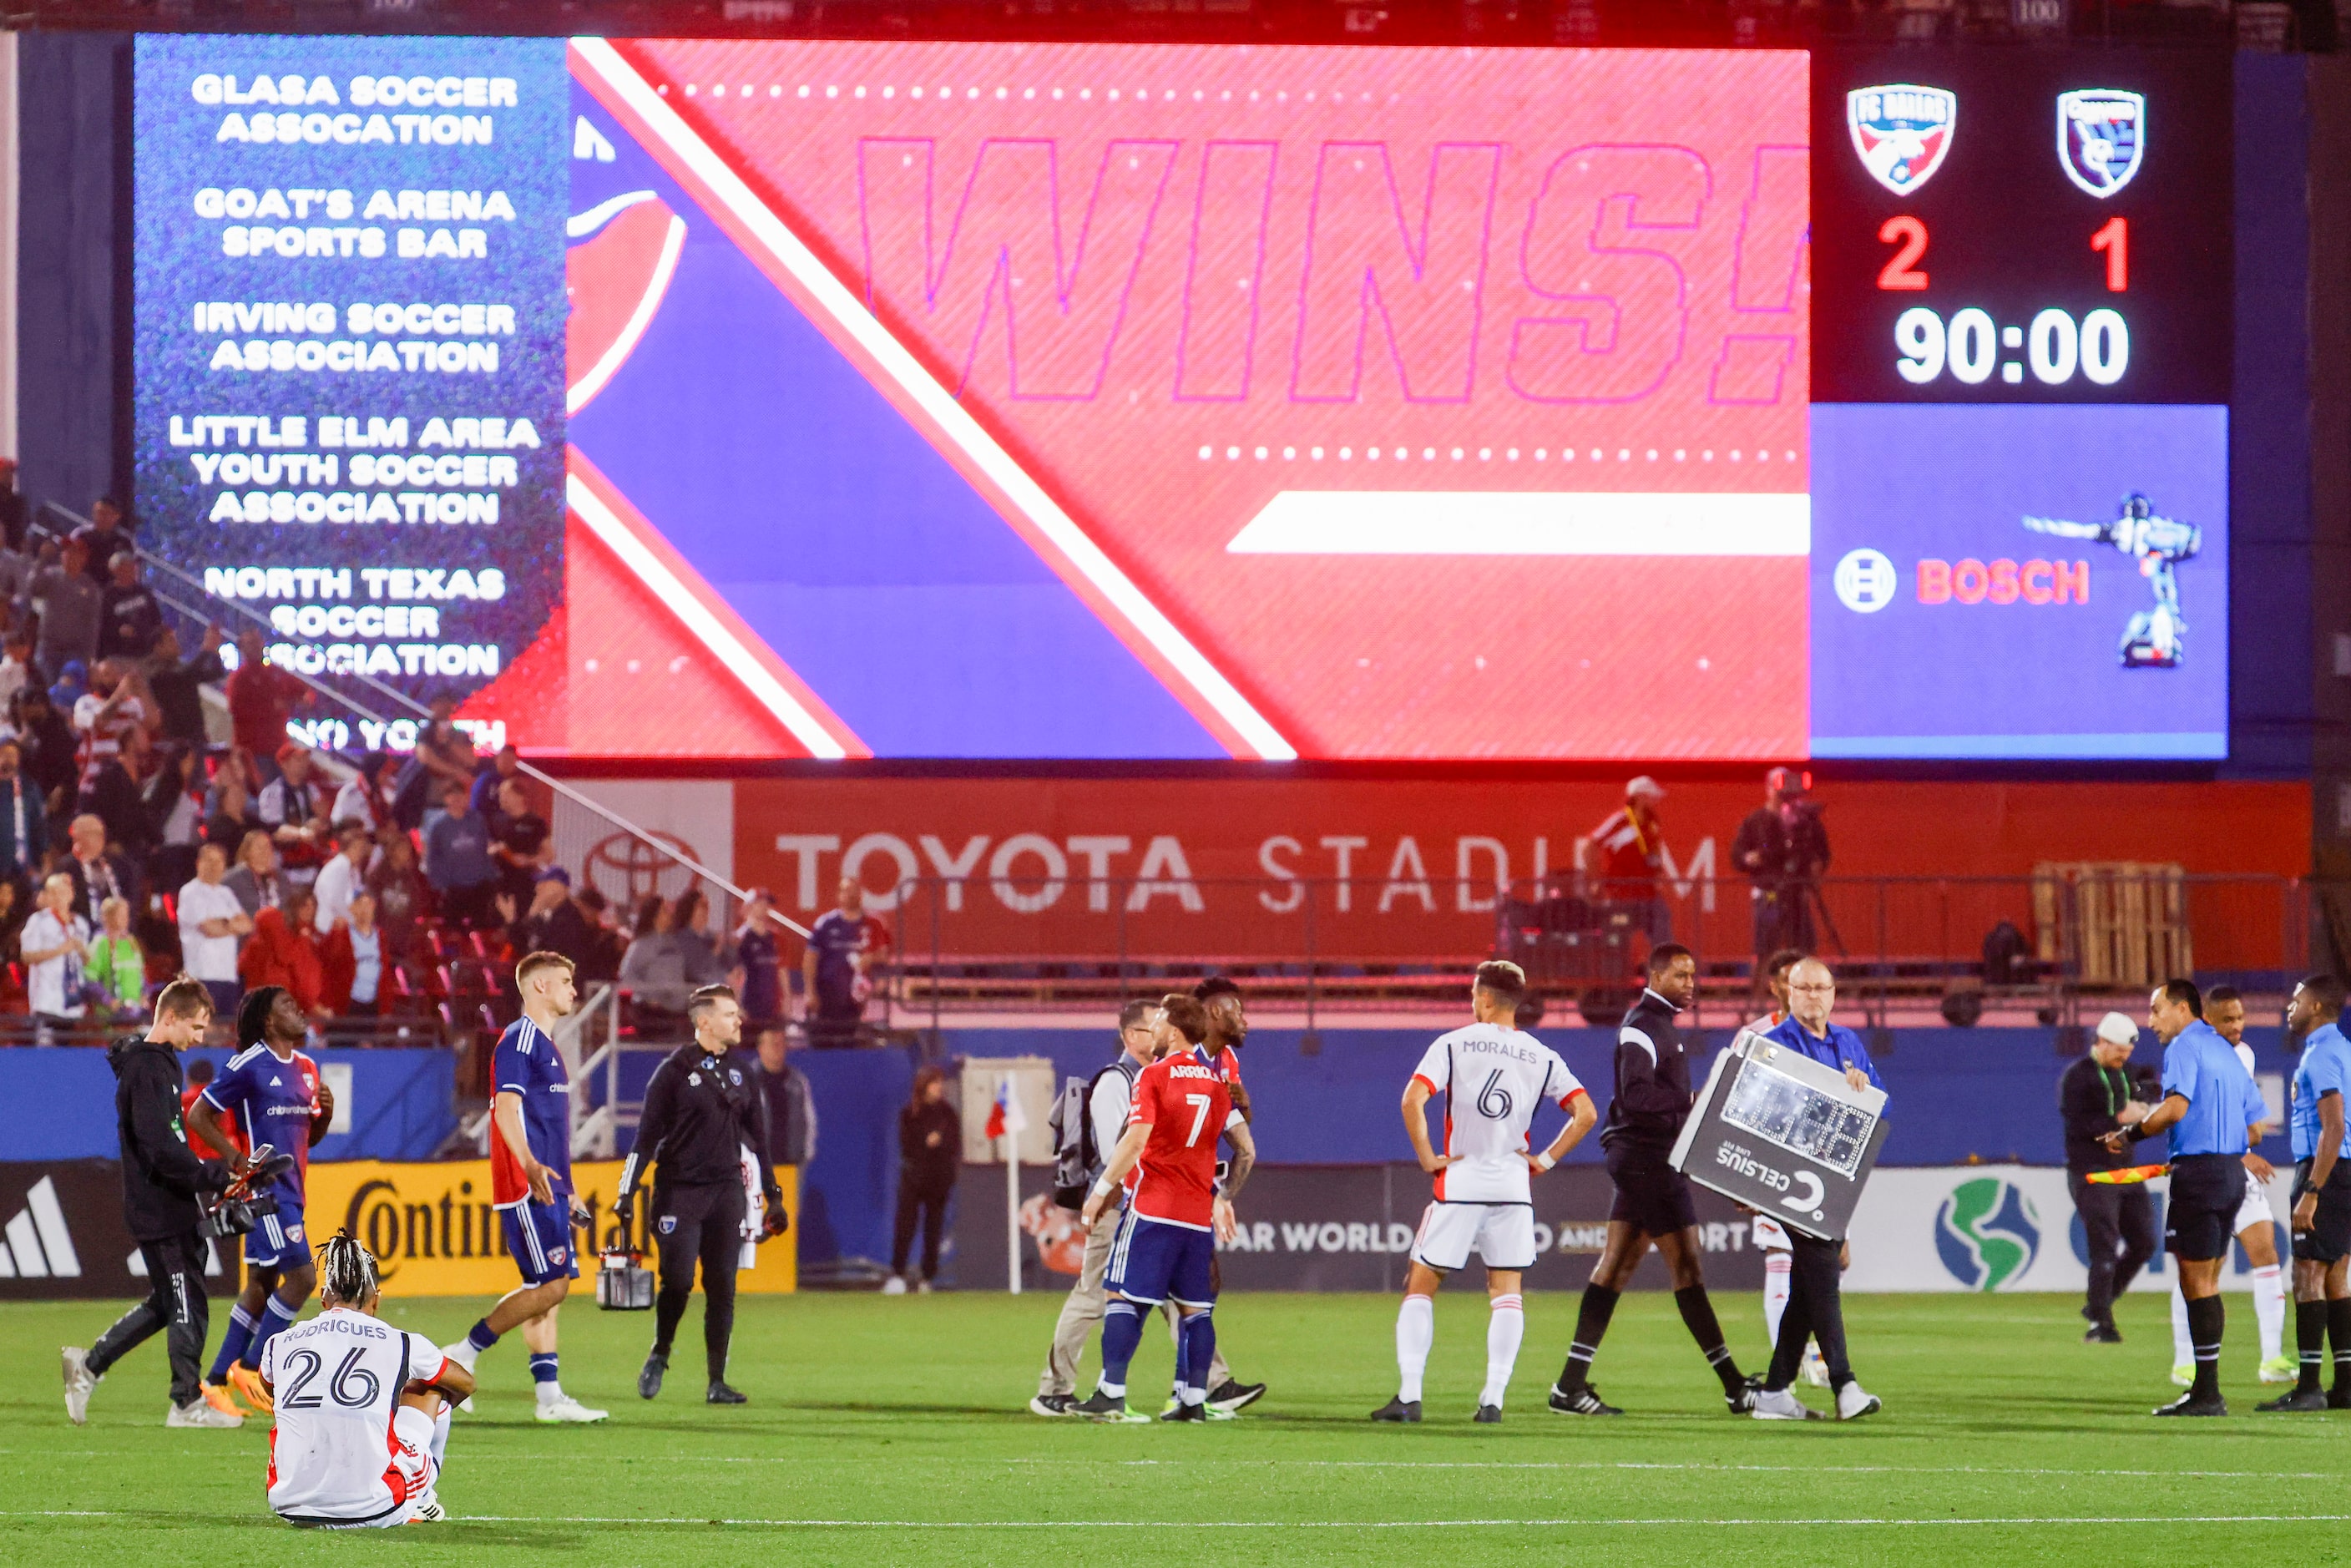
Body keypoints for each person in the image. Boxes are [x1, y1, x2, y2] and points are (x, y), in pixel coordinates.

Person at [1374, 960, 1595, 1424]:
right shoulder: (1541, 1054)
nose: (1473, 1002)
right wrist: (1545, 1160)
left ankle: (1410, 1397)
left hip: (1461, 1182)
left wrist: (1428, 1155)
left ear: (1488, 998)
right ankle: (1492, 1400)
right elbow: (1587, 1114)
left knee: (1421, 1284)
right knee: (1506, 1291)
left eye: (1475, 995)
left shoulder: (1453, 1044)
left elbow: (1412, 1099)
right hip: (1513, 1187)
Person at [1550, 943, 1757, 1416]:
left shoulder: (1660, 1026)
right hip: (1646, 1159)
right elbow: (1638, 1098)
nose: (1691, 985)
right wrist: (1692, 1099)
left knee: (1616, 1266)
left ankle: (1569, 1387)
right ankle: (1734, 1386)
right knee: (1686, 1265)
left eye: (1693, 976)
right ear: (1656, 976)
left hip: (1645, 1158)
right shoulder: (1642, 1028)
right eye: (1681, 976)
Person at [63, 979, 245, 1428]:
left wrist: (208, 1177)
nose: (200, 1039)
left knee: (168, 1302)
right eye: (197, 1027)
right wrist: (211, 1175)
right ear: (170, 1018)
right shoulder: (149, 1070)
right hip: (160, 1207)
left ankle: (88, 1366)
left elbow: (170, 1141)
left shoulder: (157, 1066)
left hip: (169, 1203)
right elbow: (160, 1146)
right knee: (188, 1301)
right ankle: (185, 1403)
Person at [437, 951, 608, 1423]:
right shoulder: (518, 1041)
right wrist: (530, 1164)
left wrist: (568, 1187)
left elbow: (549, 1126)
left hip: (548, 1185)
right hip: (524, 1184)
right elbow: (506, 1111)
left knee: (545, 1290)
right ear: (539, 987)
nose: (574, 990)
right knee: (551, 1287)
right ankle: (462, 1353)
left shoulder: (549, 1048)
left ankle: (549, 1397)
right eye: (566, 981)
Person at [1074, 994, 1257, 1422]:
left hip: (1153, 1208)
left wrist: (1102, 1189)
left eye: (1158, 1020)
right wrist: (1224, 1197)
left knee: (1120, 1294)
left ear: (1173, 1031)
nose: (1153, 1027)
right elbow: (1246, 1150)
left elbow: (1136, 1140)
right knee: (1196, 1310)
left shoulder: (1154, 1076)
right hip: (1196, 1217)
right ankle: (1193, 1401)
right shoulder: (1216, 1084)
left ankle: (1111, 1393)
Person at [2098, 977, 2263, 1416]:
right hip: (2231, 1173)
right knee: (2206, 1281)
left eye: (2156, 1010)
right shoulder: (2227, 1054)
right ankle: (2206, 1390)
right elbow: (2256, 1129)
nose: (2150, 1021)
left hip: (2201, 1173)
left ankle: (2207, 1393)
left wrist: (2129, 1133)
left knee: (2196, 1282)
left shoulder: (2185, 1047)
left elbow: (2174, 1109)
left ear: (2183, 1009)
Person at [619, 984, 786, 1404]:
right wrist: (626, 1192)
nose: (739, 1021)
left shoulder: (743, 1074)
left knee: (722, 1286)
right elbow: (645, 1140)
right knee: (677, 1281)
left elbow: (761, 1141)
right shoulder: (673, 1073)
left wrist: (774, 1196)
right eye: (730, 1014)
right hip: (679, 1192)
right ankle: (660, 1352)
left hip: (726, 1191)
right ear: (704, 1022)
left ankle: (716, 1381)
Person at [185, 986, 331, 1418]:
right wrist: (236, 1159)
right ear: (268, 1021)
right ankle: (252, 1366)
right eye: (288, 1005)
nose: (299, 1008)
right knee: (304, 1278)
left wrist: (325, 1111)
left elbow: (310, 1137)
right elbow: (199, 1116)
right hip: (265, 1191)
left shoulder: (306, 1068)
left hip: (294, 1190)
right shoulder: (249, 1063)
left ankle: (213, 1383)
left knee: (262, 1286)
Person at [258, 1232, 470, 1527]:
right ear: (376, 1300)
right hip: (375, 1506)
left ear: (323, 1298)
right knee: (430, 1384)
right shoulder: (403, 1343)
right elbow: (466, 1383)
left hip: (290, 1502)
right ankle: (421, 1499)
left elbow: (270, 1388)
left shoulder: (278, 1343)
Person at [1752, 958, 1885, 1421]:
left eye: (1820, 987)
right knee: (1824, 1267)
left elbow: (1878, 1105)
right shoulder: (1770, 1046)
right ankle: (1844, 1383)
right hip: (1789, 1177)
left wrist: (1862, 1090)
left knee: (1811, 1281)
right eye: (1803, 987)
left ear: (1834, 993)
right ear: (1788, 992)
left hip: (1831, 1178)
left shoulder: (1848, 1042)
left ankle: (1773, 1393)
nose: (1813, 995)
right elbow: (1757, 1113)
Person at [1033, 999, 1159, 1416]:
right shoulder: (1116, 1082)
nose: (1159, 1034)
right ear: (1129, 1036)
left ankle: (1208, 1386)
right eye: (1149, 1027)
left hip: (1146, 1207)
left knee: (1182, 1296)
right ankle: (1054, 1389)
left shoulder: (1152, 1078)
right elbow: (1113, 1152)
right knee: (1092, 1297)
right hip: (1117, 1207)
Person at [2166, 984, 2292, 1385]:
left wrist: (2243, 1147)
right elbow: (2196, 1120)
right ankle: (2186, 1361)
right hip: (2208, 1170)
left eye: (2240, 1018)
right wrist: (2238, 1151)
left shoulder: (2245, 1055)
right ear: (2208, 1020)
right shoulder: (2191, 1052)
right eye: (2228, 1019)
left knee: (2266, 1252)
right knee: (2201, 1270)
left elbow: (2243, 1121)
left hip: (2234, 1171)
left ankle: (2272, 1359)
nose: (2237, 1026)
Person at [1732, 946, 1825, 1382]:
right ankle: (1787, 1364)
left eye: (1809, 983)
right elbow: (1735, 1102)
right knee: (1779, 1255)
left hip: (1822, 1161)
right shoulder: (1755, 1036)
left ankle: (1813, 1349)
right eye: (1793, 982)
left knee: (1825, 1258)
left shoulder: (1830, 1036)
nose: (1802, 990)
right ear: (1775, 987)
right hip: (1775, 1157)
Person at [2259, 975, 2351, 1412]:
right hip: (2346, 1171)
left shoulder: (2320, 1058)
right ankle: (2346, 1384)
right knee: (2336, 1275)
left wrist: (2312, 1189)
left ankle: (2310, 1386)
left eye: (2296, 1000)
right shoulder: (2344, 1050)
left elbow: (2333, 1126)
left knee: (2307, 1276)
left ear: (2315, 1007)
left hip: (2325, 1171)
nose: (2289, 1008)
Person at [1179, 976, 1269, 1414]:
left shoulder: (1225, 1059)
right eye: (1237, 1010)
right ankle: (1201, 1386)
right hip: (1167, 1185)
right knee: (1130, 1295)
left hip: (1198, 1183)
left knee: (1193, 1286)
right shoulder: (1180, 1057)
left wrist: (1221, 1194)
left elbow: (1235, 1122)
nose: (1246, 1020)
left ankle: (1200, 1385)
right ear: (1215, 1014)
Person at [2062, 1010, 2160, 1344]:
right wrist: (2118, 1118)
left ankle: (2098, 1304)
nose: (2125, 1056)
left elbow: (2147, 1089)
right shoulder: (2078, 1077)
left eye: (2129, 1051)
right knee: (2104, 1247)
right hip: (2092, 1172)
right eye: (2119, 1049)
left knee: (2145, 1242)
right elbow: (2079, 1126)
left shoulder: (2126, 1071)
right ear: (2101, 1042)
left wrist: (2144, 1102)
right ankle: (2100, 1325)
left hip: (2126, 1172)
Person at [1732, 767, 1833, 974]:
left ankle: (1809, 996)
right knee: (1765, 950)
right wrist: (1749, 858)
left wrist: (1816, 867)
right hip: (1769, 893)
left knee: (1805, 948)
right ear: (1768, 789)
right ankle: (1757, 1000)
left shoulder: (1804, 821)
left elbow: (1822, 852)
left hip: (1797, 893)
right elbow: (1737, 856)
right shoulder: (1756, 821)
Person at [886, 1066, 960, 1294]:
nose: (939, 1087)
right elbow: (907, 1146)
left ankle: (927, 1278)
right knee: (905, 1227)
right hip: (913, 1180)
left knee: (933, 1229)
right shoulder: (910, 1114)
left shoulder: (949, 1115)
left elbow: (954, 1145)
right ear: (924, 1086)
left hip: (939, 1181)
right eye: (934, 1082)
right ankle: (898, 1275)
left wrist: (941, 1144)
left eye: (940, 1082)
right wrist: (926, 1143)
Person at [1580, 776, 1670, 943]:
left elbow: (1652, 854)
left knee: (1663, 934)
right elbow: (1589, 845)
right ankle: (1615, 968)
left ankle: (1663, 969)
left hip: (1648, 893)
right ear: (1640, 796)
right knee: (1617, 941)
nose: (1656, 801)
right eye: (1652, 796)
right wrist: (1596, 878)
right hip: (1622, 895)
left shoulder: (1651, 823)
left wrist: (1657, 873)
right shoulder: (1620, 821)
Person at [803, 875, 892, 1047]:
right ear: (839, 895)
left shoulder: (874, 923)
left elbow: (884, 954)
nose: (850, 895)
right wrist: (810, 992)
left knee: (849, 1043)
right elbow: (809, 960)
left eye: (854, 890)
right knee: (822, 1044)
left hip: (856, 997)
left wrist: (870, 958)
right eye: (845, 890)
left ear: (861, 894)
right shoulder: (826, 923)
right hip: (826, 996)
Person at [177, 839, 253, 1019]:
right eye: (209, 861)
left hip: (227, 974)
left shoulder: (225, 893)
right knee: (203, 1027)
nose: (214, 866)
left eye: (219, 861)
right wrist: (231, 924)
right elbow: (209, 928)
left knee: (225, 1029)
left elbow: (247, 925)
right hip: (202, 975)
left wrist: (223, 923)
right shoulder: (190, 892)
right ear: (199, 863)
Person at [224, 628, 308, 775]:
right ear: (242, 647)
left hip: (279, 749)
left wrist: (303, 700)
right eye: (250, 643)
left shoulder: (275, 672)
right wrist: (271, 707)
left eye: (257, 642)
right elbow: (236, 709)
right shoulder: (239, 678)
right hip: (252, 752)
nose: (255, 647)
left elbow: (304, 691)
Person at [21, 870, 94, 1030]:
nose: (58, 896)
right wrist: (60, 950)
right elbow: (26, 956)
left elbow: (88, 962)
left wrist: (82, 950)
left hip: (73, 1002)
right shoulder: (38, 921)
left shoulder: (80, 923)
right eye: (53, 893)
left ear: (71, 895)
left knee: (69, 1052)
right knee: (46, 1051)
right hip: (47, 1000)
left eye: (63, 892)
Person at [238, 890, 326, 1018]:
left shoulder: (313, 937)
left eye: (313, 906)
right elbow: (298, 972)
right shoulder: (289, 935)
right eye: (304, 905)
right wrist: (313, 1006)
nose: (309, 910)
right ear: (294, 906)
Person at [423, 779, 498, 928]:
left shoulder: (477, 820)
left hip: (478, 886)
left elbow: (485, 850)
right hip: (453, 888)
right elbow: (432, 857)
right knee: (453, 932)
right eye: (452, 795)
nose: (457, 799)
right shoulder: (438, 825)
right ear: (446, 798)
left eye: (460, 795)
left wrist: (490, 876)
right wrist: (439, 884)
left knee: (480, 928)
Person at [143, 623, 225, 751]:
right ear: (158, 647)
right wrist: (206, 649)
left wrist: (215, 651)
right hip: (176, 739)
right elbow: (185, 675)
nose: (176, 643)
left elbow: (215, 674)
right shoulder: (155, 673)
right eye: (171, 640)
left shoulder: (181, 668)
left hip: (196, 736)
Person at [256, 743, 331, 885]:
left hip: (312, 866)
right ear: (284, 764)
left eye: (305, 759)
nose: (304, 763)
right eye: (298, 759)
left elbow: (325, 823)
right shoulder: (272, 793)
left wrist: (321, 821)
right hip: (286, 870)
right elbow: (274, 830)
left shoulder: (311, 790)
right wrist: (304, 831)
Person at [31, 538, 100, 680]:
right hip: (48, 647)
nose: (69, 555)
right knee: (45, 686)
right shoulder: (51, 575)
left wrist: (89, 655)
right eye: (66, 552)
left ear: (84, 558)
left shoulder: (90, 586)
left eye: (75, 553)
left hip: (75, 651)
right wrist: (42, 558)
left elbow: (92, 622)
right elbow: (33, 588)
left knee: (69, 692)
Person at [751, 1024, 817, 1172]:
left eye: (781, 1044)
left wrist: (805, 1154)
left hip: (790, 1163)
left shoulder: (797, 1082)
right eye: (773, 1044)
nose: (778, 1048)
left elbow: (808, 1119)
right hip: (757, 1164)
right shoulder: (747, 1081)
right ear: (761, 1048)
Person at [64, 809, 138, 928]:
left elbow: (131, 903)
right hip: (80, 934)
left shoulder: (122, 866)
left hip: (118, 934)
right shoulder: (66, 868)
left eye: (99, 834)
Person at [487, 776, 550, 910]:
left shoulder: (535, 823)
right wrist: (495, 850)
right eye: (500, 795)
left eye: (506, 794)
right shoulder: (497, 821)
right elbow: (489, 847)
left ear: (519, 797)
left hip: (525, 881)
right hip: (501, 880)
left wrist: (529, 860)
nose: (502, 798)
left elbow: (549, 854)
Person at [321, 890, 386, 1017]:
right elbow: (325, 960)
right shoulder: (341, 933)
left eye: (369, 905)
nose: (365, 909)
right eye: (361, 904)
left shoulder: (381, 936)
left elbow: (385, 970)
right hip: (348, 1002)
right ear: (353, 908)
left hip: (373, 1003)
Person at [732, 890, 784, 1030]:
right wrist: (737, 1007)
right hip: (749, 1007)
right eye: (759, 903)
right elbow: (735, 974)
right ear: (748, 907)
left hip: (772, 1006)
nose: (764, 907)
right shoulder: (741, 938)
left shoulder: (775, 937)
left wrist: (787, 1003)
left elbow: (782, 971)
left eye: (766, 904)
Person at [88, 895, 146, 1015]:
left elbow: (141, 974)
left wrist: (145, 995)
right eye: (120, 915)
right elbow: (89, 978)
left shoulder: (131, 942)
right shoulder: (101, 943)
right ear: (107, 917)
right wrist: (109, 1001)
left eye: (126, 915)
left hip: (135, 1015)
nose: (126, 919)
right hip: (112, 1018)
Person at [0, 735, 48, 881]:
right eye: (3, 754)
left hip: (23, 867)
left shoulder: (29, 788)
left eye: (12, 755)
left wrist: (44, 860)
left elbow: (39, 826)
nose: (7, 759)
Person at [311, 821, 372, 934]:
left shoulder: (354, 869)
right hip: (328, 926)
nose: (361, 852)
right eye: (357, 848)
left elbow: (354, 896)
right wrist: (355, 919)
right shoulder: (339, 866)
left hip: (345, 926)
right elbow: (335, 900)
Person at [98, 553, 160, 660]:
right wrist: (118, 630)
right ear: (115, 570)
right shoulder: (107, 596)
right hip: (120, 654)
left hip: (146, 652)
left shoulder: (144, 592)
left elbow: (156, 618)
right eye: (126, 567)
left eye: (133, 567)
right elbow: (102, 625)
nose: (132, 571)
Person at [224, 827, 286, 917]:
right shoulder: (233, 879)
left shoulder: (281, 878)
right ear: (247, 851)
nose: (265, 851)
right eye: (259, 847)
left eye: (268, 846)